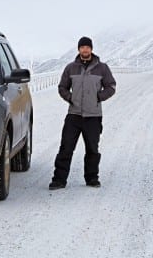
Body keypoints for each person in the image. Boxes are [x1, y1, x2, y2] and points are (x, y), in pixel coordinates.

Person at [49, 36, 116, 190]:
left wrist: (98, 97)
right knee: (65, 148)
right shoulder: (71, 68)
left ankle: (92, 178)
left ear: (91, 49)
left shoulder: (102, 68)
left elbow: (111, 87)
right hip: (74, 115)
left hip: (93, 116)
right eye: (82, 47)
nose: (85, 50)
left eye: (87, 47)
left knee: (92, 149)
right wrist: (70, 98)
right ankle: (59, 180)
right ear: (78, 49)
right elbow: (62, 87)